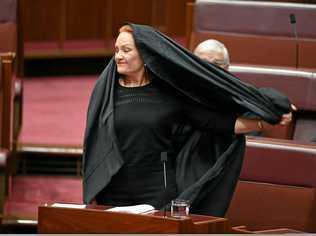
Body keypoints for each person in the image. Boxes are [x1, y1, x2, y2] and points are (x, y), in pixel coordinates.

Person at [82, 23, 294, 217]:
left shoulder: (170, 92)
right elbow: (96, 141)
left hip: (156, 192)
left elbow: (218, 122)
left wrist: (264, 120)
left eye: (127, 50)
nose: (119, 56)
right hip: (111, 189)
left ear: (146, 53)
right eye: (117, 50)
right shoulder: (107, 92)